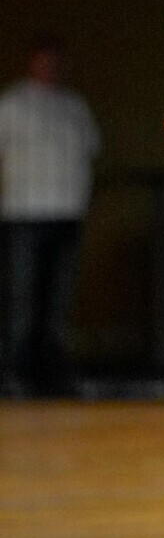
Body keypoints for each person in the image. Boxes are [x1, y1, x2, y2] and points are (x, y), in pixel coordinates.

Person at [0, 33, 100, 398]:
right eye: (44, 61)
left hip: (66, 213)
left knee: (59, 301)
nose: (50, 68)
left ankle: (53, 373)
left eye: (56, 61)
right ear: (32, 62)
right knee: (22, 299)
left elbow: (90, 153)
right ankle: (15, 373)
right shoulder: (11, 105)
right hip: (23, 213)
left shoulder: (74, 107)